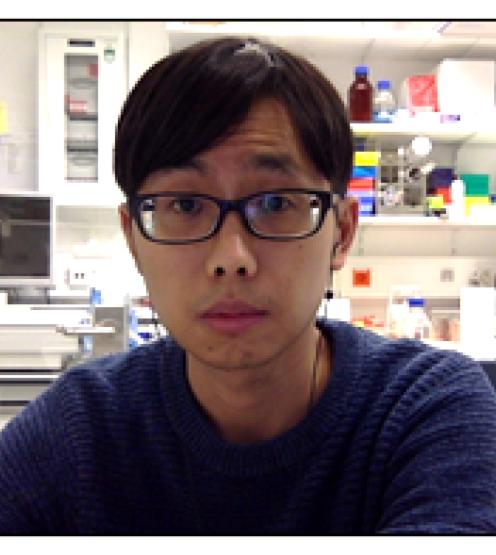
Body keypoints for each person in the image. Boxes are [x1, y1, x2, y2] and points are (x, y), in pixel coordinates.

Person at [1, 36, 496, 535]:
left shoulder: (427, 409)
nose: (231, 259)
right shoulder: (80, 430)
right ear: (134, 238)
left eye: (276, 203)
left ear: (341, 232)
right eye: (185, 206)